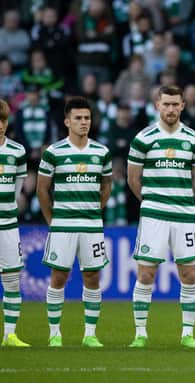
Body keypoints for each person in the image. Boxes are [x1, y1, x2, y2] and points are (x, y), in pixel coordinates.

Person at [127, 85, 195, 349]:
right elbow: (133, 179)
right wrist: (152, 202)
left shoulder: (194, 139)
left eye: (175, 104)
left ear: (183, 105)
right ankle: (140, 333)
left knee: (190, 275)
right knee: (146, 274)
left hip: (184, 215)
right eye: (166, 104)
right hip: (154, 217)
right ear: (156, 106)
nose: (171, 109)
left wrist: (177, 198)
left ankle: (187, 334)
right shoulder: (144, 138)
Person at [36, 97, 112, 348]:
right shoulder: (54, 152)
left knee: (92, 277)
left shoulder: (101, 152)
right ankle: (54, 333)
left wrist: (94, 210)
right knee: (59, 277)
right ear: (67, 121)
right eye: (78, 118)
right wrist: (52, 220)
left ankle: (90, 334)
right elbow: (42, 189)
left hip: (91, 226)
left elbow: (107, 185)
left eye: (87, 118)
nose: (83, 122)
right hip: (63, 225)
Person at [0, 99, 29, 347]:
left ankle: (9, 334)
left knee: (11, 279)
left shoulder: (17, 152)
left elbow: (18, 190)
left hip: (8, 225)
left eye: (3, 121)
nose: (0, 125)